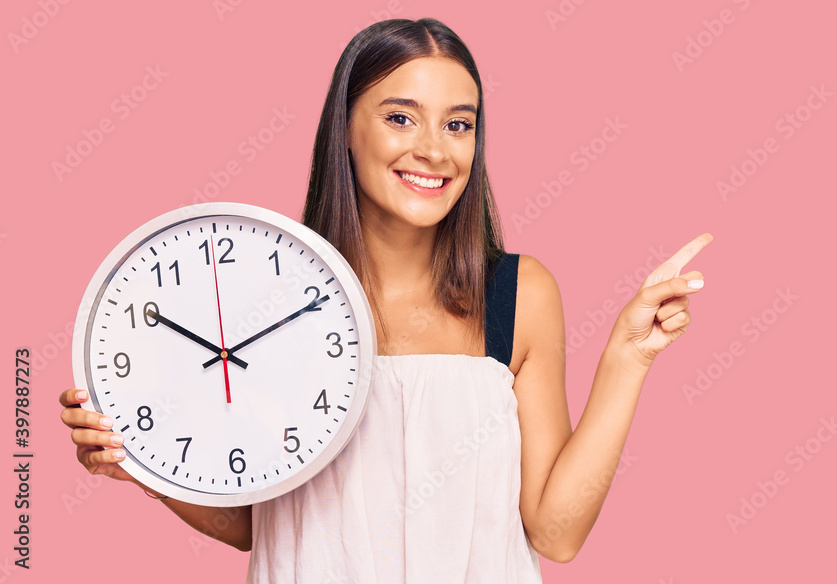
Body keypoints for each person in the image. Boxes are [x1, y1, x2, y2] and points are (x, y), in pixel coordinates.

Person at [58, 17, 713, 583]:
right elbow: (259, 524)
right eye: (401, 116)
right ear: (345, 127)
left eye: (458, 124)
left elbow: (556, 533)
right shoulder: (263, 294)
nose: (433, 148)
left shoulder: (518, 294)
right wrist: (140, 463)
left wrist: (629, 358)